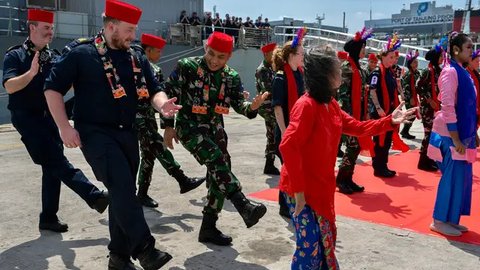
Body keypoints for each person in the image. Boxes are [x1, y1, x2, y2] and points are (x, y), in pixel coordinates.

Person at [44, 1, 179, 269]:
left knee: (122, 192)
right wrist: (64, 127)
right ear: (111, 26)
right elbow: (52, 89)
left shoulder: (137, 56)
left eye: (134, 30)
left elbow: (154, 89)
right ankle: (144, 248)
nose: (132, 35)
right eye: (129, 30)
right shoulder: (81, 53)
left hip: (128, 133)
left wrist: (162, 104)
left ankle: (118, 257)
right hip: (94, 133)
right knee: (122, 185)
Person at [279, 45, 416, 270]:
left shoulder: (329, 104)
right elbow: (288, 146)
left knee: (324, 243)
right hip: (302, 190)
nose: (341, 72)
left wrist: (390, 121)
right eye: (337, 68)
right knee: (309, 249)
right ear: (325, 74)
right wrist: (300, 193)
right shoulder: (307, 106)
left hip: (321, 187)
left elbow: (357, 127)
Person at [2, 8, 108, 233]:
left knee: (52, 167)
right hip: (27, 118)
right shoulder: (15, 55)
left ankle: (48, 217)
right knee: (55, 160)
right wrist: (30, 73)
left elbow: (62, 86)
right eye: (46, 28)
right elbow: (10, 86)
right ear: (32, 28)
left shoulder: (56, 55)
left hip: (50, 116)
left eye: (52, 28)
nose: (51, 32)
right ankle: (93, 196)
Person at [161, 31, 268, 246]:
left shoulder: (232, 77)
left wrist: (253, 107)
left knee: (221, 171)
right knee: (218, 161)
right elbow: (169, 96)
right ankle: (243, 204)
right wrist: (168, 127)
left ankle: (208, 227)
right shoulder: (187, 67)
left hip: (215, 130)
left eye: (221, 57)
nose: (214, 60)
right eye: (211, 54)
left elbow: (241, 106)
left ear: (228, 57)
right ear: (205, 49)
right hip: (189, 127)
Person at [136, 33, 205, 208]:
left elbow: (159, 97)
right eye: (157, 51)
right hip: (136, 118)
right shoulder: (135, 66)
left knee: (149, 156)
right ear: (148, 50)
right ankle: (181, 179)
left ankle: (142, 194)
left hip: (148, 117)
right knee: (158, 146)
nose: (160, 55)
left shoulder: (155, 70)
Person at [427, 32, 477, 237]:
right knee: (451, 177)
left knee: (460, 177)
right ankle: (439, 220)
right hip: (449, 134)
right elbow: (448, 106)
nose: (472, 52)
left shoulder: (462, 71)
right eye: (468, 47)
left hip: (461, 134)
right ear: (456, 50)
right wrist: (456, 138)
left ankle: (450, 218)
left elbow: (468, 105)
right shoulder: (450, 72)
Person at [336, 27, 375, 194]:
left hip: (358, 115)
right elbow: (342, 95)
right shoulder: (347, 67)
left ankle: (348, 178)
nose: (364, 51)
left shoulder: (359, 68)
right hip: (350, 115)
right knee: (352, 147)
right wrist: (350, 118)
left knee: (356, 147)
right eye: (363, 47)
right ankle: (342, 179)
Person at [272, 29, 306, 218]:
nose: (303, 57)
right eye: (301, 54)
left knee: (294, 169)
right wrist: (286, 134)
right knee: (288, 170)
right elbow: (278, 108)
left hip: (298, 131)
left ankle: (292, 201)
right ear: (292, 56)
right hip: (286, 132)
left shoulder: (299, 74)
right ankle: (284, 205)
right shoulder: (280, 77)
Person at [368, 34, 409, 178]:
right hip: (380, 112)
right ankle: (378, 167)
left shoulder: (391, 72)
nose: (393, 60)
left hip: (390, 112)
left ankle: (383, 165)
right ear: (383, 57)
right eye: (391, 57)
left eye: (394, 57)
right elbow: (372, 91)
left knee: (386, 141)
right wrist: (379, 108)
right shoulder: (377, 73)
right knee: (379, 141)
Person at [416, 46, 444, 172]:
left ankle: (430, 159)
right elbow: (419, 87)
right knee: (428, 134)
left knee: (434, 134)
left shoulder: (440, 71)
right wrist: (429, 99)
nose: (442, 58)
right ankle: (423, 162)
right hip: (428, 108)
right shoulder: (427, 71)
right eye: (440, 56)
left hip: (437, 107)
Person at [255, 42, 280, 175]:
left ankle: (269, 164)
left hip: (273, 106)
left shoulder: (272, 67)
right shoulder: (262, 70)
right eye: (273, 53)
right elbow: (268, 90)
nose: (275, 55)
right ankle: (269, 164)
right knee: (273, 135)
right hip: (267, 107)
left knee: (273, 135)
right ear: (266, 54)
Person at [400, 50, 421, 139]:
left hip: (415, 97)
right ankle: (405, 131)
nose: (416, 64)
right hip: (409, 98)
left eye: (417, 62)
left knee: (413, 115)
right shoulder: (408, 74)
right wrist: (410, 98)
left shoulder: (417, 73)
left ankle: (405, 131)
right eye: (414, 62)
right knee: (411, 115)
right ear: (410, 64)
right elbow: (405, 87)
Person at [467, 49, 480, 122]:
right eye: (477, 61)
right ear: (470, 61)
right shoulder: (466, 73)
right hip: (471, 108)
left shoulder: (476, 73)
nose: (479, 63)